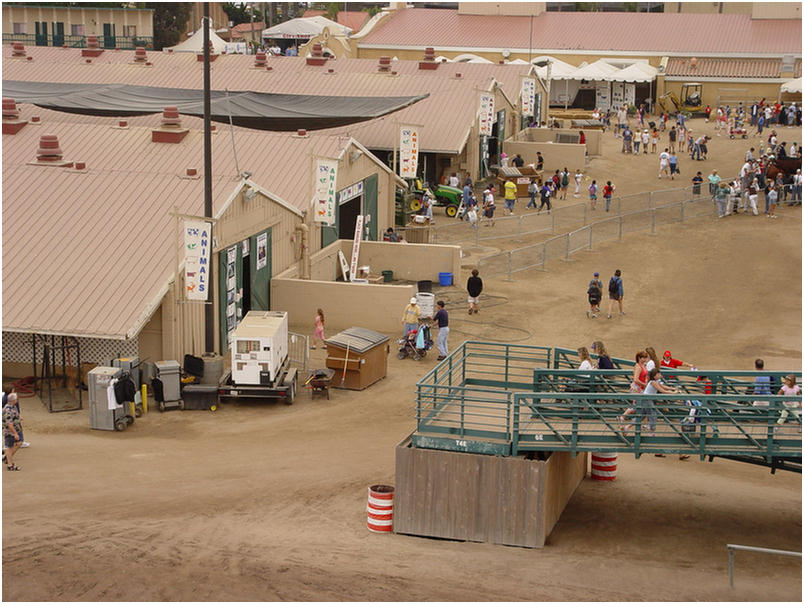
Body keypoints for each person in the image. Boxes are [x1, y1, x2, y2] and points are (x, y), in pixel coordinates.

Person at [620, 350, 649, 432]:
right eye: (643, 358)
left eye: (645, 357)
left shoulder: (643, 365)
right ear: (639, 358)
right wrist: (644, 384)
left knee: (642, 406)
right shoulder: (638, 366)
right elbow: (636, 379)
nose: (644, 359)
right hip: (637, 388)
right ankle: (623, 418)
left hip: (641, 388)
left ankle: (626, 421)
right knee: (639, 406)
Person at [3, 392, 23, 471]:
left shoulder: (13, 407)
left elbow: (14, 416)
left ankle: (8, 459)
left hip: (15, 430)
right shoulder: (8, 410)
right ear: (13, 400)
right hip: (9, 432)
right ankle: (10, 464)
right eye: (16, 399)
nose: (17, 400)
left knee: (18, 443)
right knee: (9, 447)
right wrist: (15, 433)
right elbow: (9, 424)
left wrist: (18, 418)